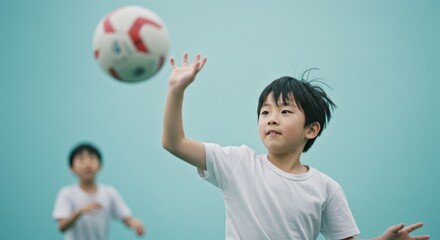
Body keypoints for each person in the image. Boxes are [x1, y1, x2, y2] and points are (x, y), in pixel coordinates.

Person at [162, 52, 429, 240]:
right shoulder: (237, 163)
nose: (272, 119)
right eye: (265, 113)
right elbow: (174, 143)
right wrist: (176, 90)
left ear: (311, 129)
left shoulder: (326, 188)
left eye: (285, 111)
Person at [52, 143, 144, 240]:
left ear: (100, 165)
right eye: (81, 159)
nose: (87, 164)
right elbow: (61, 227)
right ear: (72, 168)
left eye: (92, 158)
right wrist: (79, 212)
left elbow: (126, 218)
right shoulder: (66, 193)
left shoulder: (109, 193)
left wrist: (136, 224)